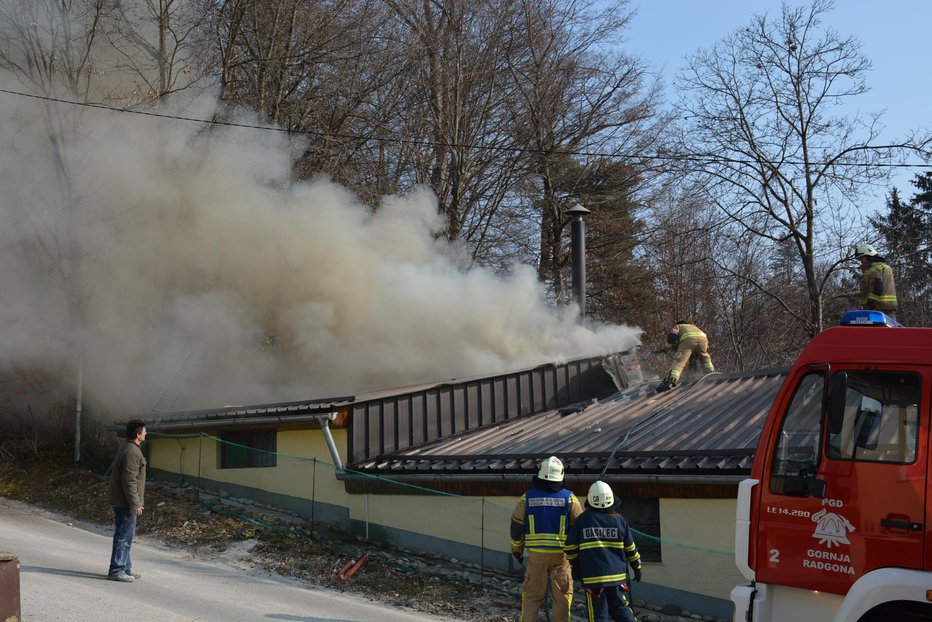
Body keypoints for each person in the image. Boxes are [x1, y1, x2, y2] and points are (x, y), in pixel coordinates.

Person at [510, 455, 583, 622]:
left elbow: (516, 526)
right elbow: (580, 527)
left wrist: (516, 550)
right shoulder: (570, 499)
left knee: (532, 597)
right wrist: (578, 556)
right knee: (562, 598)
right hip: (561, 557)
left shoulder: (526, 498)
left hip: (536, 557)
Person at [565, 481, 643, 622]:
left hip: (593, 579)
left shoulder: (582, 521)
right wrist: (637, 567)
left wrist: (575, 567)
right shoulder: (620, 521)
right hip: (618, 578)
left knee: (598, 615)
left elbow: (570, 548)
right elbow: (630, 548)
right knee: (621, 609)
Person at [107, 418, 147, 582]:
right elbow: (129, 480)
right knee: (124, 536)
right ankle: (116, 570)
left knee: (127, 535)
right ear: (138, 434)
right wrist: (135, 503)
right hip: (125, 502)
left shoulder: (128, 448)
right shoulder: (132, 452)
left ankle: (125, 567)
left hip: (123, 500)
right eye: (145, 431)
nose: (146, 433)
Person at [657, 320, 714, 392]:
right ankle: (711, 373)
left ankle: (670, 381)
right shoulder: (693, 326)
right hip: (703, 339)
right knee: (705, 357)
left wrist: (666, 347)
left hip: (689, 340)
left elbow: (672, 337)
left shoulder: (678, 326)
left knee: (679, 361)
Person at [854, 243, 897, 319]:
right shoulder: (886, 267)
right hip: (890, 308)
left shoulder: (873, 269)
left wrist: (870, 302)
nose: (860, 261)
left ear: (868, 256)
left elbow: (878, 288)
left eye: (861, 258)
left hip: (878, 308)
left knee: (874, 331)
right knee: (890, 330)